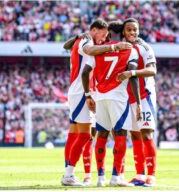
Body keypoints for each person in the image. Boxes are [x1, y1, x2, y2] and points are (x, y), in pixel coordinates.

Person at [82, 20, 142, 187]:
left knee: (101, 135)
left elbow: (85, 72)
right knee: (121, 135)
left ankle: (100, 177)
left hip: (100, 97)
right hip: (118, 97)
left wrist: (88, 95)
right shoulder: (129, 49)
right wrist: (138, 103)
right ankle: (116, 177)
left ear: (109, 33)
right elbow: (133, 76)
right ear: (122, 33)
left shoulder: (100, 50)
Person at [61, 18, 109, 186]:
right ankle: (68, 175)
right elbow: (89, 49)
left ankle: (68, 172)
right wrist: (112, 47)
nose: (103, 39)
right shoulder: (87, 40)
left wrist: (76, 37)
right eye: (102, 35)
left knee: (74, 134)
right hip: (81, 92)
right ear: (94, 30)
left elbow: (65, 46)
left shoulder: (80, 39)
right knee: (85, 135)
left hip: (75, 92)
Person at [117, 18, 157, 187]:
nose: (133, 32)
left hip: (145, 96)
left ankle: (151, 176)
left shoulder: (144, 47)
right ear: (123, 32)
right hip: (129, 97)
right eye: (129, 30)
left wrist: (132, 73)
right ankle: (140, 174)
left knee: (146, 133)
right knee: (134, 135)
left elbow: (152, 70)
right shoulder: (122, 48)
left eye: (135, 29)